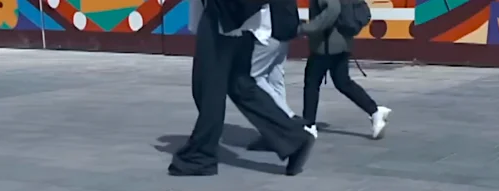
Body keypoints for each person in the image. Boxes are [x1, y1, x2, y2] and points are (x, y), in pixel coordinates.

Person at [168, 0, 316, 176]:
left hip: (224, 18)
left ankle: (201, 153)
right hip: (247, 19)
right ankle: (292, 136)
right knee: (240, 85)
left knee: (209, 87)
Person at [299, 0, 391, 138]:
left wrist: (306, 28)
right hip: (342, 42)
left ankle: (309, 125)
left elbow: (332, 10)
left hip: (326, 45)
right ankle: (375, 111)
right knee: (343, 82)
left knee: (312, 83)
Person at [247, 0, 310, 151]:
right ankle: (276, 133)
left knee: (253, 79)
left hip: (269, 33)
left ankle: (287, 118)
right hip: (284, 32)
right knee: (275, 78)